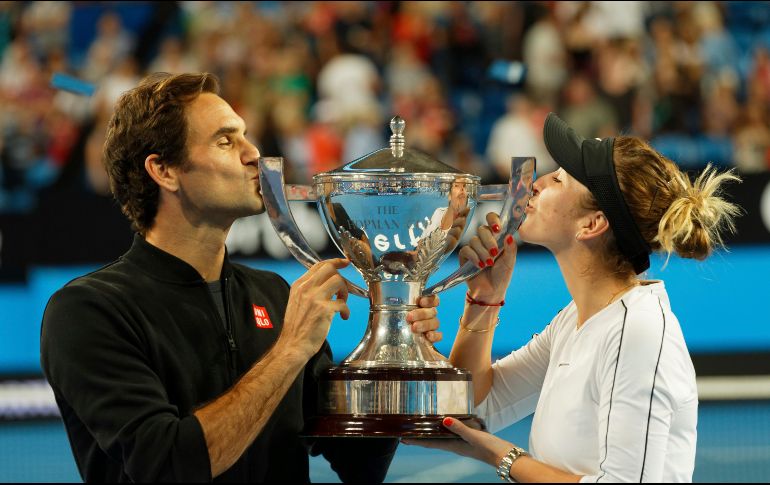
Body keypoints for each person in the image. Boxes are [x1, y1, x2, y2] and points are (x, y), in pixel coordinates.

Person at [39, 72, 444, 483]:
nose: (253, 153)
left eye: (245, 136)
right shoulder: (88, 311)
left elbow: (360, 463)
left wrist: (395, 346)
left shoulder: (273, 295)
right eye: (225, 141)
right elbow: (166, 465)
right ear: (164, 170)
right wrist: (289, 350)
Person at [405, 113, 741, 482]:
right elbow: (474, 406)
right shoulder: (575, 321)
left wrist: (501, 455)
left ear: (592, 224)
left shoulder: (637, 332)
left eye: (558, 179)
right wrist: (485, 300)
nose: (536, 184)